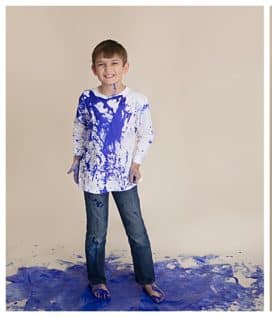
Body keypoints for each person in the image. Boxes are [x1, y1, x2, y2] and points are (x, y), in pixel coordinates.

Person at [67, 39, 163, 303]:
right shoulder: (87, 98)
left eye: (114, 64)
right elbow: (80, 128)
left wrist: (136, 163)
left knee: (137, 229)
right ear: (93, 69)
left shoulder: (137, 100)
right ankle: (97, 278)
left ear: (125, 67)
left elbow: (146, 133)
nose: (108, 70)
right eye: (102, 65)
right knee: (96, 233)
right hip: (93, 174)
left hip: (124, 175)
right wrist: (76, 159)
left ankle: (147, 278)